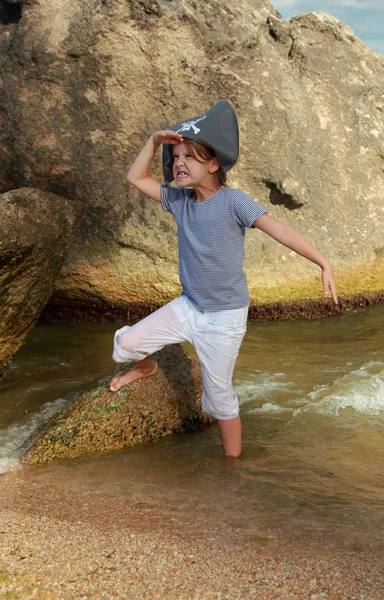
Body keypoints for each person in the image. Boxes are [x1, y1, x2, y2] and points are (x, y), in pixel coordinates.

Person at [109, 101, 338, 458]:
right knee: (124, 346)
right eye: (176, 156)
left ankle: (233, 467)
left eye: (190, 156)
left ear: (213, 164)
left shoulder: (234, 202)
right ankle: (147, 367)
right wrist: (154, 142)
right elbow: (135, 178)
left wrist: (322, 262)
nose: (179, 163)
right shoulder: (178, 200)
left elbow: (280, 229)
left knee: (219, 397)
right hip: (189, 306)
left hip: (224, 317)